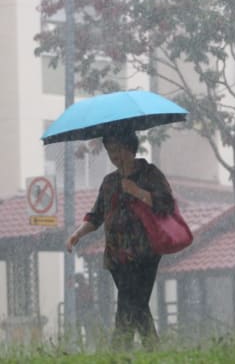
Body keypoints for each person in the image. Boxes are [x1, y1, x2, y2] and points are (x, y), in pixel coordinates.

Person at [66, 131, 175, 350]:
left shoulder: (150, 174)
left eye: (118, 150)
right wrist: (77, 234)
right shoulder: (109, 182)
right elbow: (96, 215)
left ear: (131, 148)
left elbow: (166, 205)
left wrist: (137, 191)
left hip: (145, 253)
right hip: (117, 255)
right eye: (110, 151)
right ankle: (152, 350)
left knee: (129, 303)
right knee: (136, 304)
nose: (115, 156)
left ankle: (119, 351)